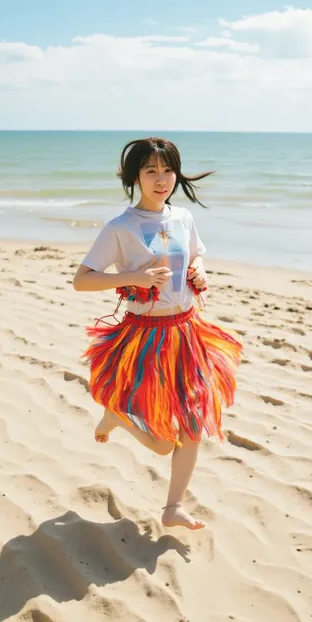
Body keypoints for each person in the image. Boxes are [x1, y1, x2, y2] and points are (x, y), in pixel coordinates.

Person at [73, 137, 242, 530]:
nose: (161, 179)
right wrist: (134, 276)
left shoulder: (182, 218)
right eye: (150, 171)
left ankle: (173, 508)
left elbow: (197, 253)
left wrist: (201, 270)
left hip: (187, 331)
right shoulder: (121, 228)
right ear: (135, 177)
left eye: (168, 170)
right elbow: (82, 280)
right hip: (144, 338)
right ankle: (117, 417)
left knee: (194, 425)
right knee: (165, 442)